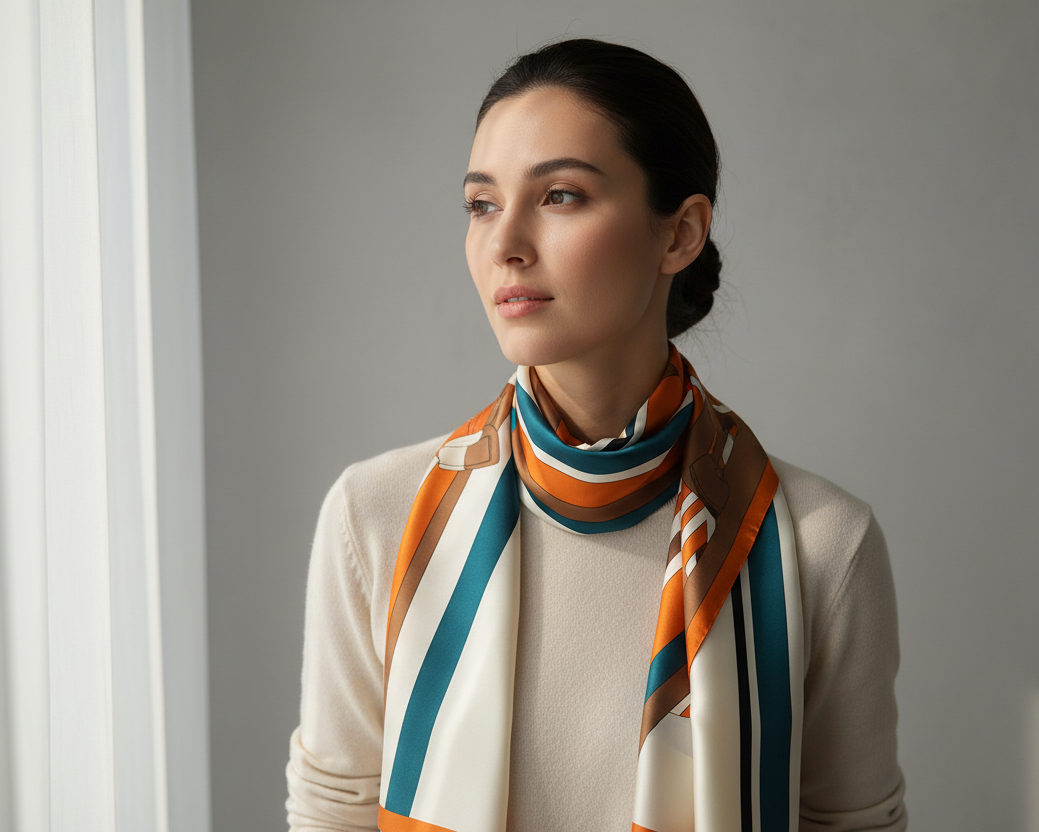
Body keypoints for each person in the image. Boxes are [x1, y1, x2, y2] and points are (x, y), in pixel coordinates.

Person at [286, 38, 906, 832]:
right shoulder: (376, 517)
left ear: (680, 234)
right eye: (481, 204)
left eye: (559, 197)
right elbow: (332, 816)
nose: (503, 242)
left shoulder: (822, 546)